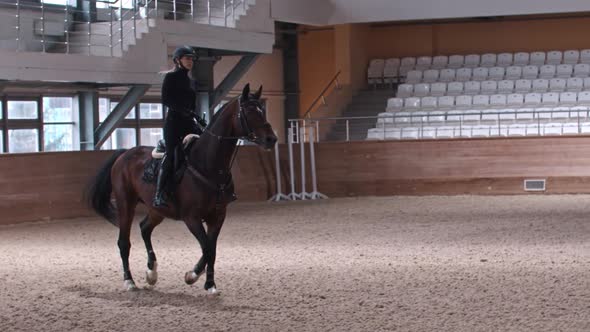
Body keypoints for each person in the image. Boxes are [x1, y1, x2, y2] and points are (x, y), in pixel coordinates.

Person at [154, 45, 207, 208]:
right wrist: (186, 112)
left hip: (189, 122)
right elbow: (166, 101)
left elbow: (192, 104)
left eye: (192, 59)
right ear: (178, 60)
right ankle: (159, 193)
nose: (190, 61)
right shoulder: (171, 78)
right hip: (174, 123)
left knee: (206, 146)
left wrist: (198, 118)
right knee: (171, 154)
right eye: (187, 58)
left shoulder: (191, 82)